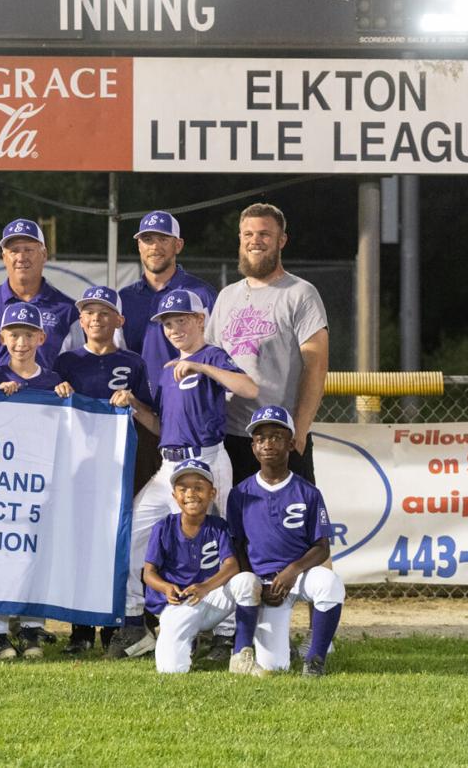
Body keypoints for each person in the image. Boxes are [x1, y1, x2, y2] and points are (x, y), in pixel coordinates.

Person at [108, 289, 258, 660]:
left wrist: (203, 367)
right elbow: (162, 425)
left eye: (181, 320)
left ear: (200, 320)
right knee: (132, 535)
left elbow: (249, 388)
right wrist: (135, 406)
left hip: (207, 460)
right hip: (169, 466)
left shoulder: (212, 356)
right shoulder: (164, 371)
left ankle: (226, 634)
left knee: (222, 541)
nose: (174, 328)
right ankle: (134, 625)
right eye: (168, 323)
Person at [53, 285, 152, 655]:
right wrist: (56, 391)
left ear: (118, 320)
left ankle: (112, 625)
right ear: (80, 319)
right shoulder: (65, 363)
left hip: (118, 469)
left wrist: (135, 401)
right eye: (89, 312)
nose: (96, 318)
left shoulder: (134, 363)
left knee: (114, 546)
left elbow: (154, 423)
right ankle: (80, 629)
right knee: (80, 544)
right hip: (78, 468)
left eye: (104, 312)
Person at [205, 203, 329, 485]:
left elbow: (316, 367)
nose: (254, 241)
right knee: (236, 526)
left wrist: (298, 433)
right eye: (247, 234)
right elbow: (211, 361)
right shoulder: (227, 296)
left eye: (264, 234)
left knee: (288, 527)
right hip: (231, 438)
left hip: (279, 437)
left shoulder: (300, 294)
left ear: (281, 240)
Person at [227, 405, 345, 677]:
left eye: (276, 437)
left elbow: (321, 547)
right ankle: (282, 650)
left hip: (298, 577)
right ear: (253, 447)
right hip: (266, 586)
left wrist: (292, 571)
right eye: (260, 438)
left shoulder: (308, 492)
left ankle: (315, 659)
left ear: (291, 444)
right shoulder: (240, 493)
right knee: (274, 665)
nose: (268, 443)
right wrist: (256, 583)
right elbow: (237, 545)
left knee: (329, 583)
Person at [0, 303, 72, 660]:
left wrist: (68, 399)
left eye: (27, 334)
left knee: (36, 552)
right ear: (2, 337)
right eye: (13, 334)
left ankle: (33, 627)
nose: (20, 342)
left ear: (41, 337)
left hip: (39, 480)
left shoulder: (53, 382)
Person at [142, 458, 259, 674]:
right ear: (174, 496)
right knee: (171, 670)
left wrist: (206, 587)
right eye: (183, 488)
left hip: (210, 598)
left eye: (199, 487)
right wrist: (166, 587)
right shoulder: (164, 527)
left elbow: (232, 566)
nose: (190, 494)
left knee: (247, 581)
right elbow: (149, 573)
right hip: (178, 603)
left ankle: (241, 652)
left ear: (212, 493)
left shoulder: (218, 526)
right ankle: (188, 639)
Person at [118, 211, 219, 398]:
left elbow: (216, 352)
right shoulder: (124, 298)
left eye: (163, 239)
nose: (155, 247)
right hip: (136, 409)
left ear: (178, 245)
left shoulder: (201, 294)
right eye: (147, 239)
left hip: (187, 405)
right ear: (139, 246)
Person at [0, 218, 83, 370]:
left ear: (44, 255)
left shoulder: (69, 311)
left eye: (28, 250)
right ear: (4, 258)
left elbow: (79, 371)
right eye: (14, 251)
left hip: (46, 393)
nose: (21, 257)